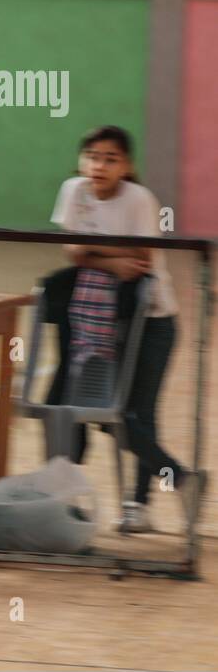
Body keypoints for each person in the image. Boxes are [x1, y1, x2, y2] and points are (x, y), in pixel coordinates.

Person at [49, 125, 203, 531]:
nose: (99, 165)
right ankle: (181, 478)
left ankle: (139, 505)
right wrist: (111, 260)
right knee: (103, 412)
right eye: (92, 156)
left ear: (127, 165)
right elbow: (73, 251)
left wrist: (97, 252)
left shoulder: (140, 200)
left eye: (110, 158)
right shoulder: (74, 191)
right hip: (96, 319)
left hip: (152, 321)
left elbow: (144, 260)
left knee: (137, 411)